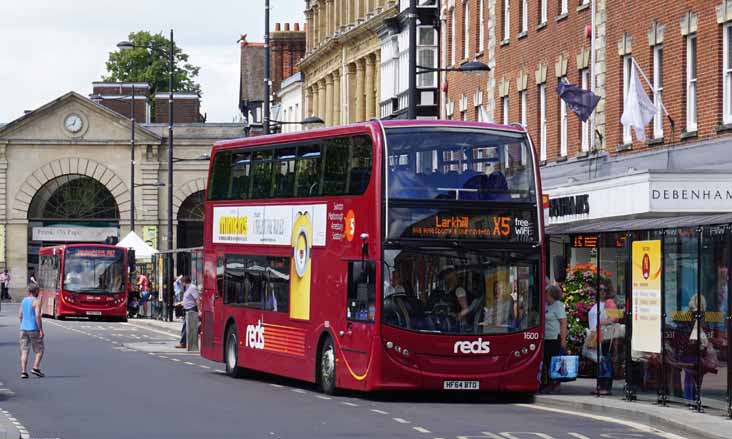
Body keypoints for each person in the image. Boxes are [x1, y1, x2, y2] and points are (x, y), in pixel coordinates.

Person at [588, 284, 619, 395]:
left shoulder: (609, 302)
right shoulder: (599, 303)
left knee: (604, 360)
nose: (600, 292)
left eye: (602, 290)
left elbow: (614, 318)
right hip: (596, 335)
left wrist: (601, 323)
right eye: (598, 289)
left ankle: (605, 387)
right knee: (599, 361)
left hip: (604, 335)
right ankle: (600, 386)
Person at [543, 284, 567, 393]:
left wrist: (563, 340)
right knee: (547, 361)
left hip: (554, 337)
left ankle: (555, 383)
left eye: (546, 293)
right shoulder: (546, 305)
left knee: (554, 361)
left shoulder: (558, 305)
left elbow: (563, 323)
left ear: (551, 294)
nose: (545, 295)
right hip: (546, 337)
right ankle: (548, 382)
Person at [18, 284, 44, 379]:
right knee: (39, 350)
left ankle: (23, 372)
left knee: (24, 351)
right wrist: (41, 329)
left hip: (23, 329)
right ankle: (35, 367)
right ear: (36, 291)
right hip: (33, 329)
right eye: (38, 291)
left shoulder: (24, 300)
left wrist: (23, 324)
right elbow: (37, 315)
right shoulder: (36, 301)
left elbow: (20, 315)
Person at [175, 276, 201, 349]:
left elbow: (197, 300)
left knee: (185, 327)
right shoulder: (188, 288)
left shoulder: (192, 288)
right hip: (187, 310)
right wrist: (181, 303)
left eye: (182, 283)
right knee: (186, 327)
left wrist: (199, 311)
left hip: (191, 310)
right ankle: (184, 343)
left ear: (184, 282)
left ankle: (183, 343)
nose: (182, 284)